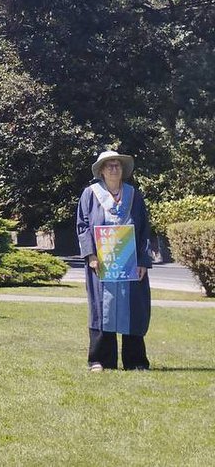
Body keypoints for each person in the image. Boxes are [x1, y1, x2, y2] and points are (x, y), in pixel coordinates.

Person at [76, 149, 152, 372]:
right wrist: (90, 255)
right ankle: (100, 361)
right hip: (101, 261)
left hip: (130, 262)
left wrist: (143, 262)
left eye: (117, 164)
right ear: (100, 170)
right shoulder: (90, 194)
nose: (114, 168)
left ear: (123, 170)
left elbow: (145, 229)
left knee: (133, 309)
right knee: (102, 308)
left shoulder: (134, 195)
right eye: (109, 164)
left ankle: (136, 361)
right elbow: (82, 227)